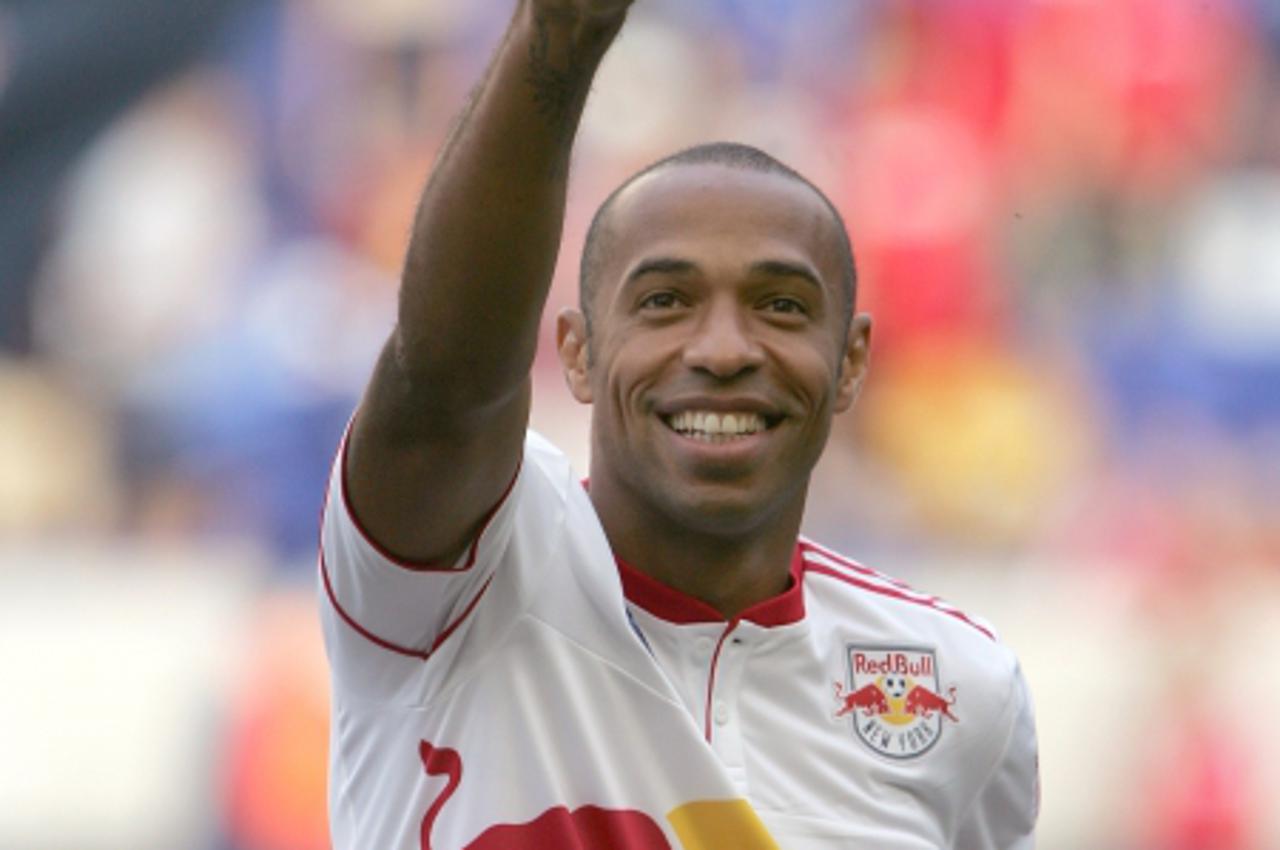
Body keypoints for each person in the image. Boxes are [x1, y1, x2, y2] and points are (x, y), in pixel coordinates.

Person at [318, 1, 1039, 847]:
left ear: (851, 363)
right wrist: (555, 42)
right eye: (665, 301)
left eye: (780, 305)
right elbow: (445, 387)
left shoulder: (961, 690)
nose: (725, 349)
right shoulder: (456, 585)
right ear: (577, 355)